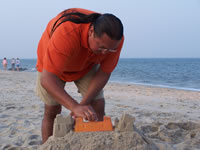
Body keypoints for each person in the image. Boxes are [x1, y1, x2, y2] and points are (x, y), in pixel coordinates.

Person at [36, 8, 124, 143]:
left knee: (97, 104)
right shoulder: (67, 33)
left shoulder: (114, 41)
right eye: (101, 47)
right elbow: (47, 79)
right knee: (52, 110)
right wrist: (74, 107)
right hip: (53, 65)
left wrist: (83, 104)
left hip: (86, 64)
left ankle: (97, 143)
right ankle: (47, 146)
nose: (106, 53)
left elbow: (104, 73)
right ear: (91, 32)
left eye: (110, 49)